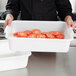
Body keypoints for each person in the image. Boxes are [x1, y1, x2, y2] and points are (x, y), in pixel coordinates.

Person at [2, 0, 75, 28]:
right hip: (25, 32)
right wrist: (9, 15)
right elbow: (12, 7)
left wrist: (68, 17)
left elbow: (64, 9)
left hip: (51, 32)